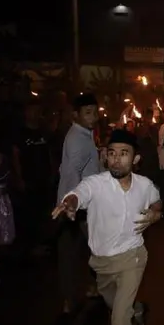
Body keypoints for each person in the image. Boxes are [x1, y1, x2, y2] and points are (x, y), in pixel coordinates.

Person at [51, 129, 162, 325]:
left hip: (133, 257)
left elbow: (157, 202)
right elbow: (79, 193)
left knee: (118, 316)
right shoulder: (97, 184)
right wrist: (70, 202)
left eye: (124, 154)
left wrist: (155, 214)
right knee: (118, 305)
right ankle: (137, 310)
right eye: (112, 153)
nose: (116, 160)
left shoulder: (145, 185)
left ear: (136, 159)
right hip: (101, 263)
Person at [56, 93, 100, 313]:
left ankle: (77, 295)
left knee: (79, 250)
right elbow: (73, 172)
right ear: (76, 115)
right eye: (88, 112)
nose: (93, 117)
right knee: (91, 249)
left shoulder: (83, 134)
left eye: (95, 112)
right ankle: (75, 296)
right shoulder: (79, 139)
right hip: (79, 206)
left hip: (78, 204)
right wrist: (70, 203)